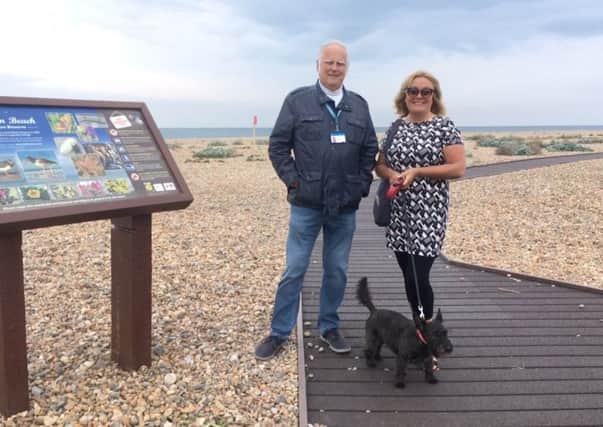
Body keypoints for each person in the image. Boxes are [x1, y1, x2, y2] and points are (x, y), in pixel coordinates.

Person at [255, 40, 378, 360]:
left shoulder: (359, 106)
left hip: (344, 206)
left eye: (340, 63)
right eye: (329, 62)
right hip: (306, 204)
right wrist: (294, 181)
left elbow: (369, 149)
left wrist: (361, 184)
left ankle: (329, 325)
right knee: (295, 268)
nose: (334, 68)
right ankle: (279, 331)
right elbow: (278, 145)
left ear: (347, 67)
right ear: (318, 65)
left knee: (336, 269)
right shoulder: (297, 101)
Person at [375, 70, 465, 323]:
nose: (419, 96)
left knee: (418, 276)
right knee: (408, 276)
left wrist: (418, 171)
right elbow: (379, 166)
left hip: (429, 214)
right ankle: (420, 326)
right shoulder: (395, 128)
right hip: (399, 214)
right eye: (413, 91)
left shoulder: (444, 127)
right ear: (404, 96)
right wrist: (391, 174)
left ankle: (427, 329)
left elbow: (458, 168)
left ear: (434, 97)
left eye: (426, 91)